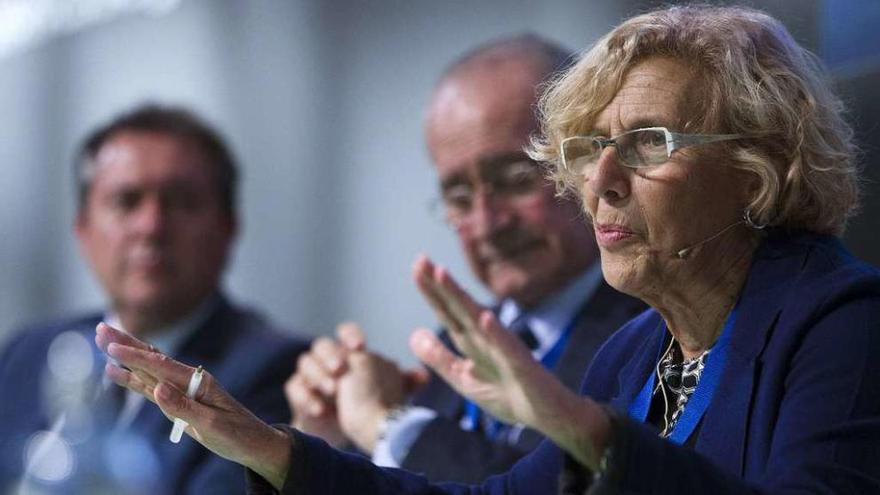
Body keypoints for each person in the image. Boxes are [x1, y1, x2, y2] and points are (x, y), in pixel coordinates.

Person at [95, 5, 880, 494]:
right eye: (589, 148)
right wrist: (272, 448)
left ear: (757, 169)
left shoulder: (845, 324)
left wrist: (594, 437)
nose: (598, 180)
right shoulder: (639, 353)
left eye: (647, 142)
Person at [284, 34, 644, 483]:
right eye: (458, 195)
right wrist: (325, 441)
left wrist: (383, 423)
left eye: (515, 178)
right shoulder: (457, 346)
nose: (488, 223)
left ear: (588, 158)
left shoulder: (652, 333)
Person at [0, 104, 309, 494]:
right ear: (83, 230)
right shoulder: (28, 353)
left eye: (181, 202)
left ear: (228, 229)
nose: (151, 227)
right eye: (127, 201)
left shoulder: (279, 371)